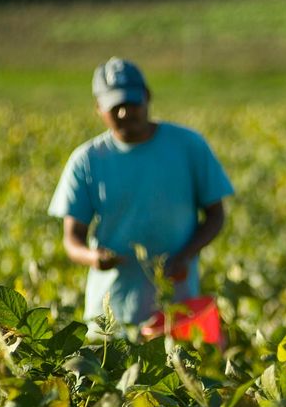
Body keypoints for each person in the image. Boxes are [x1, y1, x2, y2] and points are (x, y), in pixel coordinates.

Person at [49, 57, 234, 337]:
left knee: (176, 376)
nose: (125, 113)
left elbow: (216, 215)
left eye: (131, 103)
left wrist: (185, 256)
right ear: (99, 108)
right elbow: (72, 239)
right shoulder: (87, 160)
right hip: (111, 313)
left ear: (147, 97)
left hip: (176, 307)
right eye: (115, 107)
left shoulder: (188, 146)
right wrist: (93, 257)